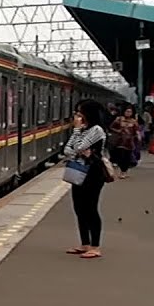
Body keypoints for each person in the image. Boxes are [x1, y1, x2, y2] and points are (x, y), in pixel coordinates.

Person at [64, 99, 109, 259]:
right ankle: (84, 243)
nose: (77, 116)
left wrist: (76, 132)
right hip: (79, 171)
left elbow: (78, 147)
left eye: (79, 112)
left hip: (93, 173)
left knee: (91, 208)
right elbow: (67, 150)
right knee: (79, 208)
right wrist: (78, 137)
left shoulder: (96, 130)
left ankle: (95, 246)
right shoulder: (84, 130)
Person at [108, 104, 141, 179]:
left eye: (130, 112)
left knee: (127, 157)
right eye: (127, 111)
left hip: (129, 142)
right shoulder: (119, 119)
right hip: (120, 141)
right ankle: (122, 170)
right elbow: (111, 127)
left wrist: (138, 136)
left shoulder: (133, 121)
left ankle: (124, 171)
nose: (128, 113)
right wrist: (118, 131)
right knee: (120, 156)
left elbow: (137, 130)